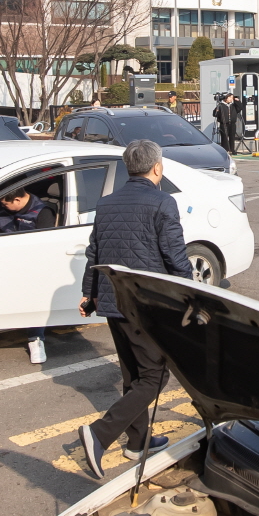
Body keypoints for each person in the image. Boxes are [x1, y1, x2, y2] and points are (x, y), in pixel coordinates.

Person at [76, 139, 189, 480]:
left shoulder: (106, 203)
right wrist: (191, 296)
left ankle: (138, 442)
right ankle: (100, 434)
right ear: (157, 167)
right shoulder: (163, 202)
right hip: (146, 305)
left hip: (112, 300)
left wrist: (89, 293)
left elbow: (94, 253)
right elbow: (175, 257)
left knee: (133, 375)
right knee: (154, 376)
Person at [0, 186, 52, 364]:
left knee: (33, 295)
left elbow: (45, 246)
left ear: (17, 200)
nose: (3, 207)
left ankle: (36, 339)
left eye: (6, 204)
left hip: (30, 266)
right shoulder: (2, 210)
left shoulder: (42, 212)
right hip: (4, 262)